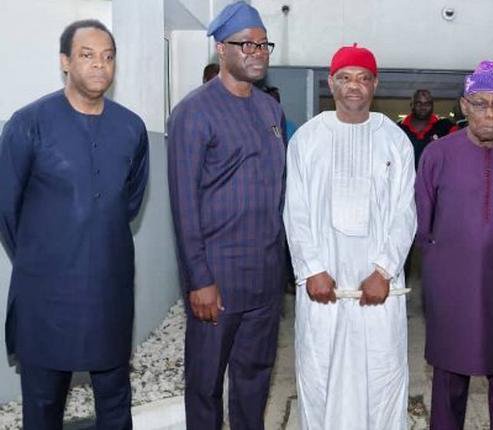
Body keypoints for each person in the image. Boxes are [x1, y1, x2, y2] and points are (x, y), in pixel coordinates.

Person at [0, 19, 148, 428]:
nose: (99, 65)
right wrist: (50, 253)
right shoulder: (28, 124)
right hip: (46, 299)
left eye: (108, 56)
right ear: (65, 62)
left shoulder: (132, 128)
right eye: (87, 55)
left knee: (116, 403)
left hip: (108, 292)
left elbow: (128, 202)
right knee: (44, 407)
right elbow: (7, 210)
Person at [284, 43, 416, 429]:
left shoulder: (395, 140)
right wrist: (312, 270)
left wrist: (385, 270)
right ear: (331, 83)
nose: (353, 86)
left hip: (378, 287)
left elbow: (405, 212)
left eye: (362, 78)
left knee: (382, 375)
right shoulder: (307, 139)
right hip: (324, 285)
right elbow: (296, 211)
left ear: (375, 84)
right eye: (345, 78)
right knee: (320, 373)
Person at [167, 2, 287, 428]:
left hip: (265, 278)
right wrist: (199, 279)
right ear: (222, 49)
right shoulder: (193, 112)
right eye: (246, 44)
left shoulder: (271, 110)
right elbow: (183, 204)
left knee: (254, 379)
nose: (257, 51)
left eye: (263, 44)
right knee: (205, 384)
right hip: (216, 278)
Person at [416, 61, 493, 430]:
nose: (491, 113)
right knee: (450, 377)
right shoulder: (437, 155)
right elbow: (422, 222)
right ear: (465, 106)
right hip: (452, 286)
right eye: (481, 103)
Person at [398, 89, 456, 166]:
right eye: (419, 103)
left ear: (432, 106)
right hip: (406, 177)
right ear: (411, 105)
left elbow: (457, 155)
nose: (423, 107)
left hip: (436, 177)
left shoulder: (446, 127)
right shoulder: (398, 129)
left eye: (427, 104)